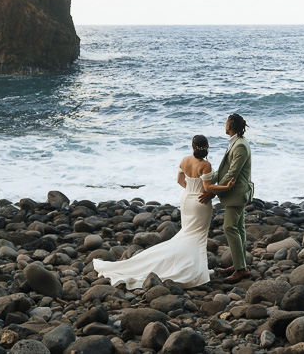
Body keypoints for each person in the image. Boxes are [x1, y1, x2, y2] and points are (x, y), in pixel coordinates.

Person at [93, 135, 234, 289]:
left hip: (186, 199)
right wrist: (226, 187)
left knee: (187, 233)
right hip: (200, 202)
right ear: (207, 147)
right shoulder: (205, 165)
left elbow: (180, 181)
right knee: (197, 236)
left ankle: (192, 268)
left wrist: (191, 190)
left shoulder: (185, 160)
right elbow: (207, 188)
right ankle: (196, 272)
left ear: (193, 147)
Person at [200, 113, 253, 283]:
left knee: (230, 227)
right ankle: (240, 264)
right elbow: (224, 171)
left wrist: (213, 191)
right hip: (236, 193)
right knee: (239, 228)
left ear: (230, 126)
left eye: (225, 123)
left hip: (237, 194)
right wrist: (208, 181)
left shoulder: (240, 146)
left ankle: (240, 269)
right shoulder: (236, 143)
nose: (224, 125)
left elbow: (232, 173)